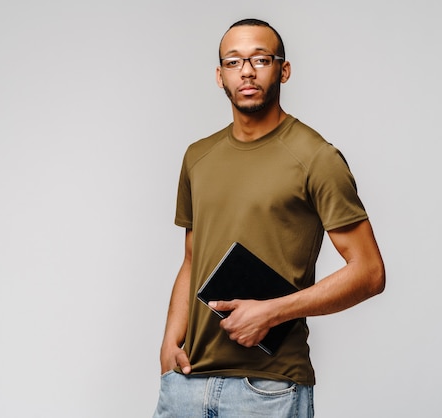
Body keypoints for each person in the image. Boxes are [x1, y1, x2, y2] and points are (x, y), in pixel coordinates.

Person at [152, 18, 385, 418]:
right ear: (219, 75)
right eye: (234, 61)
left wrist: (272, 311)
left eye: (260, 58)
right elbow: (192, 259)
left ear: (284, 69)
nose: (246, 70)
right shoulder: (198, 157)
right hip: (186, 384)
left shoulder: (316, 157)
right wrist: (169, 346)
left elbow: (369, 272)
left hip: (268, 389)